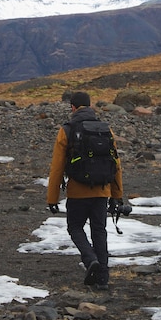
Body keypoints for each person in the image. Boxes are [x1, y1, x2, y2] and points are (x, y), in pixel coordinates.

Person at [46, 91, 124, 290]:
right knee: (99, 231)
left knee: (75, 227)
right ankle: (103, 278)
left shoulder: (67, 130)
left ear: (72, 107)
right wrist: (117, 195)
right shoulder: (106, 130)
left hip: (77, 191)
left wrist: (52, 198)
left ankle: (90, 261)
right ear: (90, 106)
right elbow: (116, 164)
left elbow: (57, 167)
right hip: (102, 191)